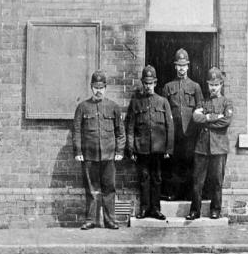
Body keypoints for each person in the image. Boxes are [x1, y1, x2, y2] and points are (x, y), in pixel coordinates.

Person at [72, 70, 125, 230]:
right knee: (91, 189)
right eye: (95, 87)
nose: (98, 90)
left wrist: (120, 151)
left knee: (109, 189)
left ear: (106, 87)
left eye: (101, 87)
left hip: (109, 155)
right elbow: (76, 131)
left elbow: (120, 132)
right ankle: (90, 220)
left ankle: (110, 220)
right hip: (89, 155)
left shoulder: (113, 107)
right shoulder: (82, 107)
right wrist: (78, 151)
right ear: (91, 87)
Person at [125, 65, 174, 220]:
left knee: (157, 178)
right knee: (144, 178)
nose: (148, 86)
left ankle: (156, 209)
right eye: (146, 83)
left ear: (155, 83)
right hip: (142, 148)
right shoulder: (136, 103)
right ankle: (144, 209)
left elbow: (169, 126)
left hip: (158, 148)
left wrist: (169, 148)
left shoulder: (163, 102)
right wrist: (131, 149)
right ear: (142, 83)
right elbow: (130, 126)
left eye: (151, 83)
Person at [186, 67, 233, 221]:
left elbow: (226, 122)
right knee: (197, 181)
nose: (213, 88)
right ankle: (195, 210)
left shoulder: (227, 102)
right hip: (202, 147)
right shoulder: (202, 102)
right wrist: (213, 117)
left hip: (219, 147)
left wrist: (206, 119)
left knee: (217, 181)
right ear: (207, 85)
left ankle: (215, 209)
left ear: (221, 85)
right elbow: (196, 118)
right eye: (211, 85)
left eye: (216, 85)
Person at [161, 48, 204, 200]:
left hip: (190, 132)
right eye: (179, 65)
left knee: (190, 163)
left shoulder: (195, 87)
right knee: (174, 163)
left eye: (184, 65)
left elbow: (200, 110)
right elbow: (164, 111)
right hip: (174, 133)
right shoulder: (168, 87)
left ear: (188, 66)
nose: (181, 68)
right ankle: (174, 193)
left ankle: (188, 194)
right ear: (175, 66)